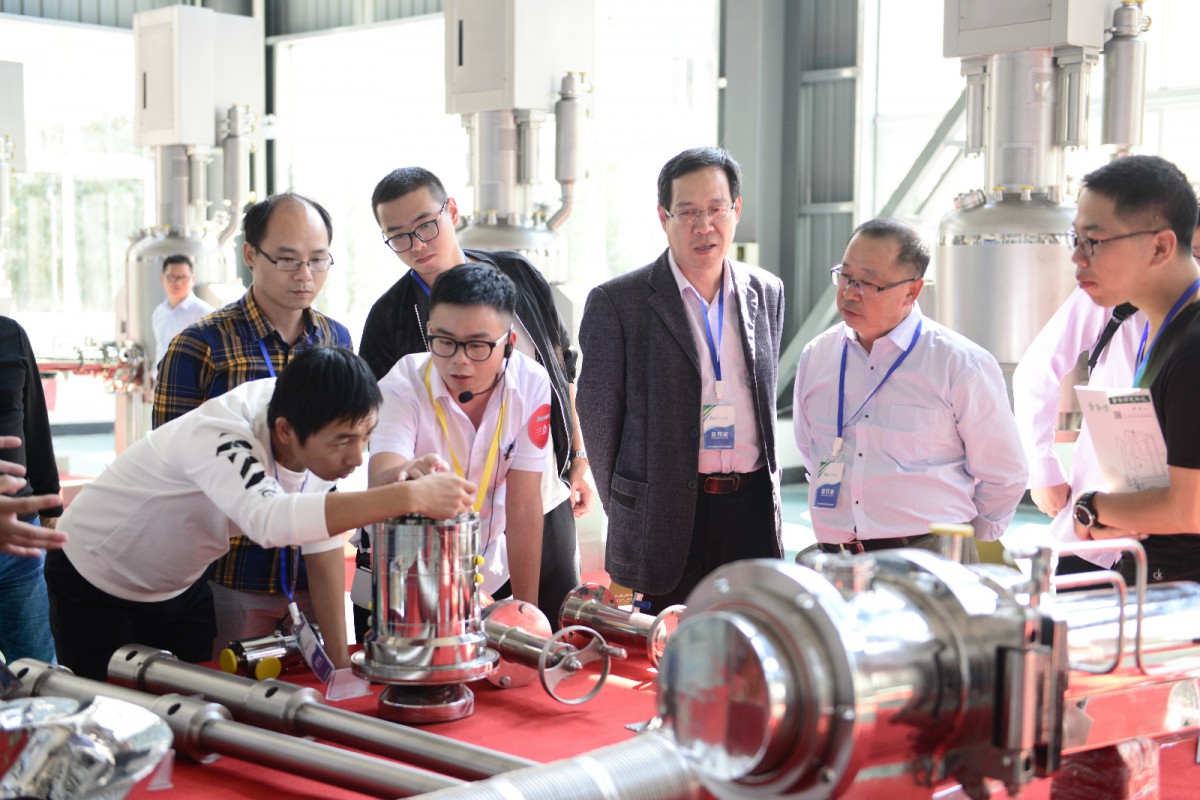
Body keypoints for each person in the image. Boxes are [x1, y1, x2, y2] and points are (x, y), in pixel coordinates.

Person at [45, 347, 475, 680]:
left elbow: (322, 540)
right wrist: (407, 497)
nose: (356, 457)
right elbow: (271, 521)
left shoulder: (314, 418)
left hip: (179, 587)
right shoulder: (223, 432)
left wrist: (341, 667)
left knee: (192, 712)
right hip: (94, 577)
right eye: (343, 442)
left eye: (366, 437)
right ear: (285, 430)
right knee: (110, 724)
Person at [360, 166, 589, 630]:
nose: (417, 245)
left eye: (425, 225)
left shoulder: (517, 275)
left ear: (452, 211)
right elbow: (380, 448)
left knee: (546, 621)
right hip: (438, 520)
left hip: (538, 488)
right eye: (399, 237)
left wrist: (579, 454)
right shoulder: (390, 323)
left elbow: (561, 366)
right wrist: (405, 480)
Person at [577, 146, 785, 613]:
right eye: (687, 212)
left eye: (716, 209)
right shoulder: (619, 302)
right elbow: (599, 421)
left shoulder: (766, 291)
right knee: (663, 646)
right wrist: (630, 510)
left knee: (749, 636)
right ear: (663, 217)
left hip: (751, 511)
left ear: (737, 209)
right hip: (664, 516)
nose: (703, 226)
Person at [153, 193, 354, 653]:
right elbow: (172, 472)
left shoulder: (336, 340)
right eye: (287, 260)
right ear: (250, 254)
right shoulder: (200, 346)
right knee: (235, 693)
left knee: (323, 690)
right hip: (232, 577)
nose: (305, 275)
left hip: (316, 572)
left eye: (318, 259)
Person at [792, 218, 1027, 561]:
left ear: (912, 291)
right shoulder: (818, 355)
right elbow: (810, 450)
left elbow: (1004, 474)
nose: (849, 293)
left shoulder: (959, 364)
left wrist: (959, 543)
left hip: (930, 558)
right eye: (845, 276)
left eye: (867, 283)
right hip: (835, 561)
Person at [368, 265, 547, 604]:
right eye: (445, 342)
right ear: (430, 331)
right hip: (409, 575)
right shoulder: (402, 385)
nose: (459, 361)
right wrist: (405, 479)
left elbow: (523, 506)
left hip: (487, 570)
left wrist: (526, 612)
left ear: (509, 344)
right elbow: (380, 483)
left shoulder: (531, 383)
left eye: (477, 345)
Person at [1067, 155, 1200, 583]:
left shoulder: (1193, 347)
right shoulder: (1163, 328)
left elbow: (1190, 509)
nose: (1078, 258)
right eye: (1075, 239)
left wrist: (1092, 506)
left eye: (1094, 242)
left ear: (1160, 247)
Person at [1014, 287, 1145, 574]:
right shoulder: (1119, 282)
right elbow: (1037, 371)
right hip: (1094, 527)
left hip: (1175, 530)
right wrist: (1043, 469)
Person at [0, 315, 65, 663]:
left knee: (39, 671)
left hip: (21, 540)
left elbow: (35, 426)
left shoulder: (10, 334)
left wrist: (51, 509)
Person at [151, 254, 214, 360]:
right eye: (171, 277)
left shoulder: (205, 313)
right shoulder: (159, 312)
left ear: (193, 279)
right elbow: (161, 349)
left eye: (183, 277)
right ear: (162, 279)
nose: (177, 282)